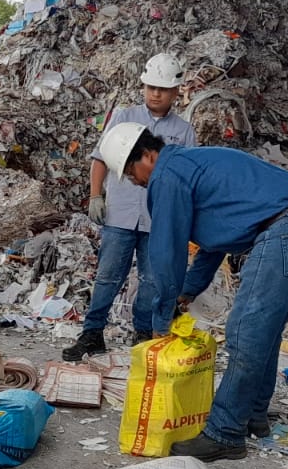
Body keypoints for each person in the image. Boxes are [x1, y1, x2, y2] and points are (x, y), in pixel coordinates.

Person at [100, 123, 288, 462]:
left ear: (148, 156)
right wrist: (188, 292)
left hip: (286, 230)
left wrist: (161, 319)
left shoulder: (167, 175)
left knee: (245, 331)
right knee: (263, 331)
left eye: (131, 173)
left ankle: (224, 432)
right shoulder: (193, 167)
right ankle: (253, 414)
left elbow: (168, 252)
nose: (134, 181)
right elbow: (215, 244)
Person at [62, 53, 196, 361]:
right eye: (150, 87)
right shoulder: (124, 117)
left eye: (162, 89)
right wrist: (96, 196)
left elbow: (186, 178)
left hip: (157, 220)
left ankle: (142, 334)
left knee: (151, 279)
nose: (155, 94)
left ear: (176, 92)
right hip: (120, 213)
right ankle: (93, 333)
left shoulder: (184, 131)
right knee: (108, 276)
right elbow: (100, 159)